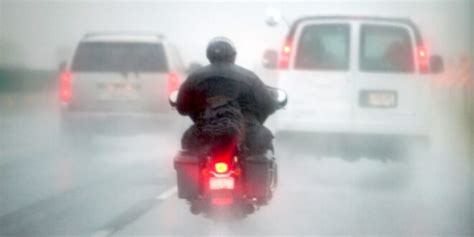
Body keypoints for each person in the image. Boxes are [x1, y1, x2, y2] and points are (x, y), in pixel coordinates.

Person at [176, 37, 278, 158]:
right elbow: (269, 105)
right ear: (233, 55)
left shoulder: (195, 77)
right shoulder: (249, 77)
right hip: (248, 133)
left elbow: (182, 107)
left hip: (203, 132)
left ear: (209, 55)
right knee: (263, 149)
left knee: (187, 150)